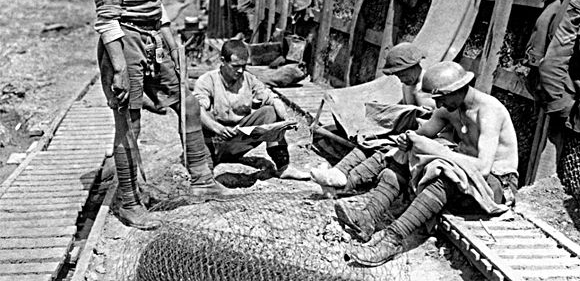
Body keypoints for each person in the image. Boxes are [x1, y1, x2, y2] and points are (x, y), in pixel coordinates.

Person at [92, 0, 228, 231]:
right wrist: (120, 68)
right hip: (124, 45)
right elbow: (107, 19)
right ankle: (128, 202)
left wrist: (171, 43)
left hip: (152, 41)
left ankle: (202, 178)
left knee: (189, 102)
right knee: (129, 125)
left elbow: (156, 6)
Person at [339, 61, 519, 266]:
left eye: (441, 98)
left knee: (444, 174)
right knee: (406, 153)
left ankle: (393, 239)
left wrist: (437, 150)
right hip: (468, 176)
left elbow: (483, 167)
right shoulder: (450, 107)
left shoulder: (488, 111)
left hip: (497, 183)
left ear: (457, 90)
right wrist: (407, 141)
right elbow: (422, 134)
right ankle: (368, 218)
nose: (439, 105)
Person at [310, 43, 436, 196]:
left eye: (402, 74)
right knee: (370, 140)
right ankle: (338, 172)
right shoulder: (408, 84)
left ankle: (342, 184)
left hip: (422, 140)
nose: (400, 79)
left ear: (414, 66)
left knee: (384, 149)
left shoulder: (428, 86)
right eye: (398, 75)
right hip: (406, 134)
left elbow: (433, 124)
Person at [193, 39, 310, 180]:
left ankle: (283, 166)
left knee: (270, 112)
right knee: (194, 115)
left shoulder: (248, 79)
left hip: (238, 138)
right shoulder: (207, 80)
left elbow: (272, 98)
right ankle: (207, 167)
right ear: (222, 61)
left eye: (243, 66)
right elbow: (197, 109)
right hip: (214, 139)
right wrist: (217, 128)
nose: (240, 70)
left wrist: (286, 120)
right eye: (235, 66)